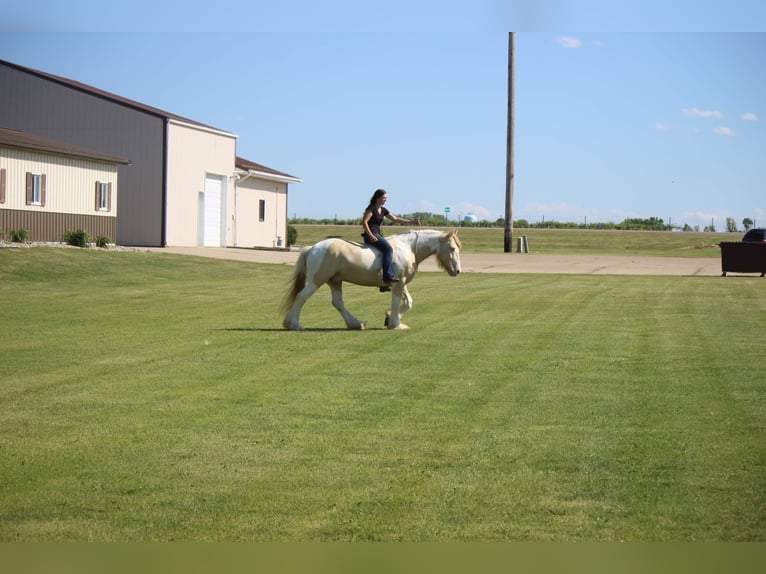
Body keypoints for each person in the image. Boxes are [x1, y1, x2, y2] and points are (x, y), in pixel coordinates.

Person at [361, 189, 421, 289]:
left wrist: (412, 222)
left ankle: (383, 283)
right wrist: (371, 235)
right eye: (384, 198)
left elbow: (395, 219)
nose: (385, 200)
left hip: (377, 235)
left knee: (386, 251)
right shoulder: (371, 208)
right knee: (388, 249)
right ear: (377, 198)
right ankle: (387, 277)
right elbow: (364, 222)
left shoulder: (383, 210)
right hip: (370, 236)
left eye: (386, 198)